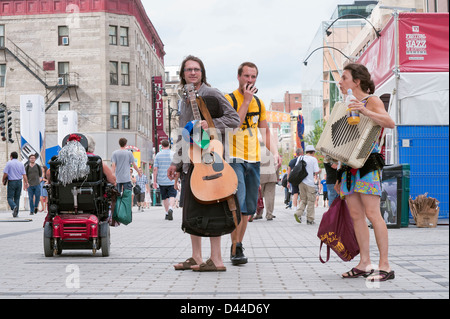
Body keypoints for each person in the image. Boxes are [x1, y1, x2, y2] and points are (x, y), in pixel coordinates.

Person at [167, 55, 240, 272]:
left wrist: (210, 124)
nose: (192, 73)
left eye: (196, 70)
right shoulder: (183, 99)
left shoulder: (212, 93)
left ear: (202, 72)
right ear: (183, 74)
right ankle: (196, 257)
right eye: (188, 70)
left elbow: (234, 119)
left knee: (213, 209)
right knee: (191, 210)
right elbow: (183, 134)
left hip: (211, 162)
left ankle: (216, 258)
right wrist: (176, 164)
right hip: (191, 162)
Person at [336, 63, 395, 282]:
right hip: (348, 168)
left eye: (344, 78)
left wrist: (364, 110)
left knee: (372, 214)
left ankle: (385, 265)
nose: (340, 82)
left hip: (369, 165)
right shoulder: (344, 105)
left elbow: (390, 123)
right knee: (356, 216)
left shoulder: (372, 100)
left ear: (356, 81)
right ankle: (364, 263)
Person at [226, 61, 281, 265]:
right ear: (239, 76)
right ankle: (235, 247)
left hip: (254, 159)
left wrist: (274, 152)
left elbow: (265, 131)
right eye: (246, 76)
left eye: (253, 77)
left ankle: (238, 244)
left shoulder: (259, 103)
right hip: (234, 158)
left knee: (248, 208)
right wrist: (246, 101)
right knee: (238, 204)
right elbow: (233, 126)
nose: (250, 80)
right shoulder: (229, 99)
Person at [294, 145, 320, 225]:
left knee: (303, 199)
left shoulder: (300, 158)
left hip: (301, 182)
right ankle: (310, 219)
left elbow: (296, 168)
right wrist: (319, 171)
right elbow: (316, 171)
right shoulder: (313, 159)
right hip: (309, 183)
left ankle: (298, 213)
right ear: (313, 152)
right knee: (311, 201)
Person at [254, 143, 279, 221]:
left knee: (258, 195)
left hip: (260, 175)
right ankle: (269, 214)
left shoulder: (256, 151)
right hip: (271, 174)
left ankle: (258, 213)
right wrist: (277, 177)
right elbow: (277, 165)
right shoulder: (272, 152)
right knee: (270, 196)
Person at [153, 139, 176, 220]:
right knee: (172, 195)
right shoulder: (173, 154)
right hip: (172, 179)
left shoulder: (158, 155)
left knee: (165, 197)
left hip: (161, 180)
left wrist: (154, 181)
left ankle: (166, 213)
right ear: (169, 145)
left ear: (161, 146)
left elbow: (155, 169)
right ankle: (171, 208)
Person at [2, 151, 28, 217]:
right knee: (17, 198)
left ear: (11, 156)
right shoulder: (21, 164)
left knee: (9, 197)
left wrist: (3, 180)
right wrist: (26, 183)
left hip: (12, 182)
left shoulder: (9, 163)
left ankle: (14, 207)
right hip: (19, 182)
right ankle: (16, 214)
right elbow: (24, 174)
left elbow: (5, 173)